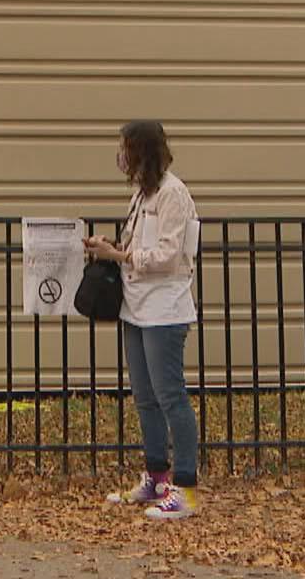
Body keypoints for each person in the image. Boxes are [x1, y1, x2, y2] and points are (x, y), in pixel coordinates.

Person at [84, 120, 202, 519]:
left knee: (171, 395)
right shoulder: (141, 194)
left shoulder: (173, 194)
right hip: (135, 306)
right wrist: (110, 248)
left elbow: (168, 256)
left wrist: (119, 256)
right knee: (145, 397)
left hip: (164, 309)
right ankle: (156, 475)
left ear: (141, 151)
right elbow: (139, 246)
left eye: (125, 147)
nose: (120, 156)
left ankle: (185, 487)